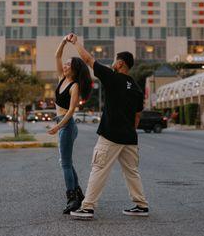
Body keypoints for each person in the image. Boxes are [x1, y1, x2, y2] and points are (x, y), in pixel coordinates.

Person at [67, 33, 149, 220]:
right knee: (132, 171)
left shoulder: (112, 77)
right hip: (129, 137)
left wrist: (75, 42)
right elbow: (137, 115)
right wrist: (130, 131)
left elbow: (87, 59)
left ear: (120, 64)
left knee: (99, 167)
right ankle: (141, 204)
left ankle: (87, 207)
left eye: (114, 61)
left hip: (111, 134)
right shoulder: (135, 87)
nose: (113, 63)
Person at [48, 37, 92, 214]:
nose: (65, 66)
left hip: (67, 125)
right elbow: (57, 55)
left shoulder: (74, 86)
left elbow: (71, 111)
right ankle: (78, 194)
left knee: (65, 163)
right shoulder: (61, 78)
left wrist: (58, 127)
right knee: (66, 162)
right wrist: (64, 41)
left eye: (68, 64)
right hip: (62, 125)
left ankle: (72, 198)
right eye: (65, 64)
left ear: (75, 69)